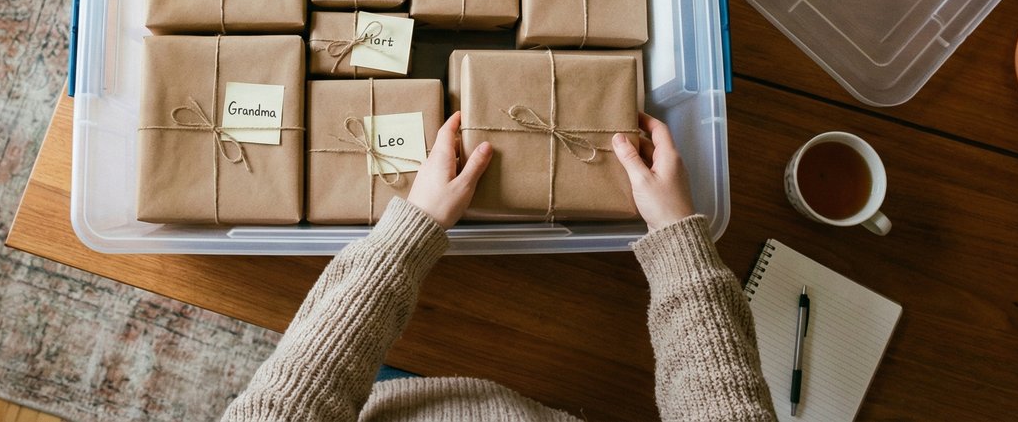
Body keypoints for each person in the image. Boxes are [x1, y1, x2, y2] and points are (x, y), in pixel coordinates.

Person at [222, 111, 777, 421]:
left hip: (385, 401)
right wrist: (677, 235)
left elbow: (295, 393)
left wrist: (409, 232)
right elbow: (722, 398)